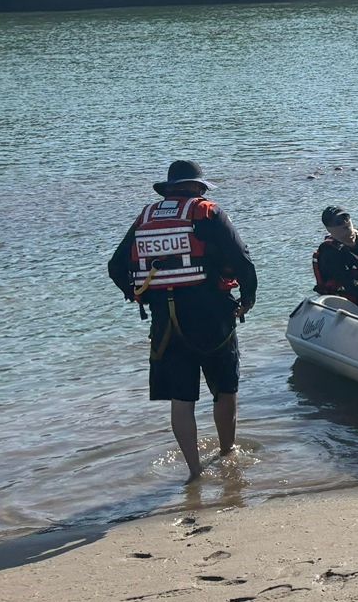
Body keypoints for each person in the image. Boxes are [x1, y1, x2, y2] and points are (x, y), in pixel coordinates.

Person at [107, 160, 258, 482]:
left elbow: (116, 267)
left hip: (166, 322)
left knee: (182, 398)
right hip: (212, 316)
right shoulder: (208, 213)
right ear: (199, 187)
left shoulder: (146, 218)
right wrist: (248, 300)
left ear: (169, 188)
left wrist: (142, 296)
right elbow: (242, 260)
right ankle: (227, 452)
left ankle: (194, 471)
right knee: (225, 389)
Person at [312, 205, 358, 308]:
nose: (345, 224)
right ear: (329, 229)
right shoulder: (330, 253)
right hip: (345, 300)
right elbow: (350, 285)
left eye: (346, 218)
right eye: (338, 222)